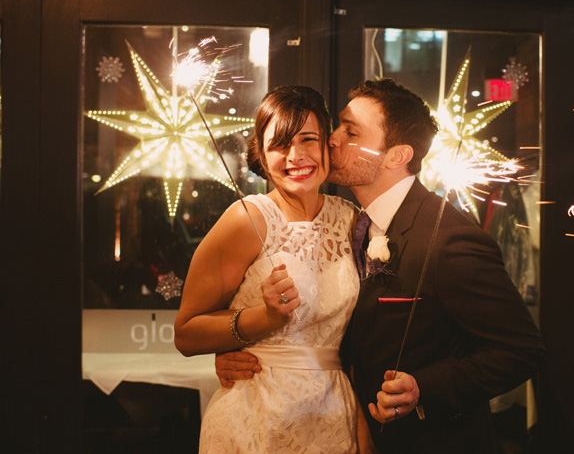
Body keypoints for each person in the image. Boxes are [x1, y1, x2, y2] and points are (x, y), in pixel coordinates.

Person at [215, 78, 547, 453]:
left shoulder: (449, 240)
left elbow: (523, 350)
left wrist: (423, 387)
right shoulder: (350, 223)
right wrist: (255, 355)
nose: (332, 139)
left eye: (350, 131)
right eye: (337, 124)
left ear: (396, 156)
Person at [174, 85, 370, 453]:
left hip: (333, 416)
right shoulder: (245, 220)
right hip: (255, 417)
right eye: (279, 144)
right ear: (262, 156)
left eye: (308, 139)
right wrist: (263, 319)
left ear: (327, 144)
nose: (296, 156)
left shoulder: (351, 220)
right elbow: (186, 334)